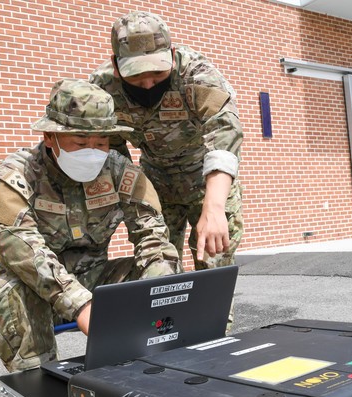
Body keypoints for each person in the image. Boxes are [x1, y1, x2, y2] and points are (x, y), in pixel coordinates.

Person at [0, 79, 181, 372]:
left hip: (96, 278)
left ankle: (150, 366)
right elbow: (21, 249)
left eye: (100, 142)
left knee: (157, 276)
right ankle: (37, 381)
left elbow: (152, 234)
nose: (92, 151)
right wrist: (81, 304)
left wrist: (164, 291)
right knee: (13, 292)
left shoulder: (118, 170)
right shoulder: (18, 173)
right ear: (51, 137)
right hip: (39, 290)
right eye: (80, 142)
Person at [89, 11, 244, 271]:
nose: (148, 84)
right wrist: (133, 203)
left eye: (157, 73)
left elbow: (225, 131)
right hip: (154, 183)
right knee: (159, 267)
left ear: (172, 56)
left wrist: (215, 206)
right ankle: (169, 313)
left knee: (214, 265)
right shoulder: (102, 90)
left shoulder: (196, 73)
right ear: (116, 66)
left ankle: (211, 312)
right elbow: (111, 153)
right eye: (136, 76)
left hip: (206, 180)